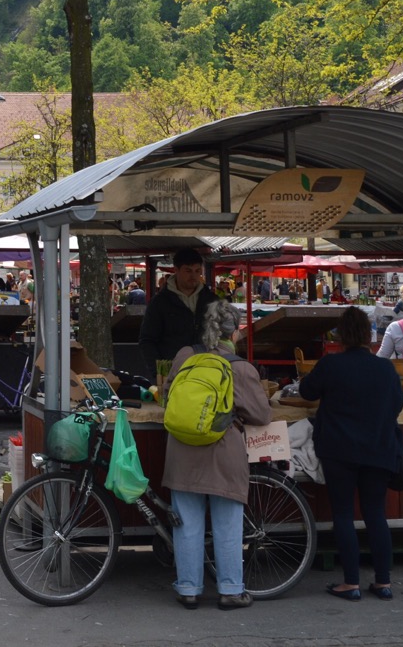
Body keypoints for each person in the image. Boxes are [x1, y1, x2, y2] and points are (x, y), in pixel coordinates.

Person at [163, 299, 271, 611]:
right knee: (227, 524)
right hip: (223, 453)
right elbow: (261, 415)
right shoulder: (241, 368)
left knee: (187, 523)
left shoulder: (185, 355)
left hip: (182, 451)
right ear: (235, 332)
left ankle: (188, 589)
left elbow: (169, 395)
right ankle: (230, 590)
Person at [299, 307, 403, 601]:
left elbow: (306, 391)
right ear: (370, 336)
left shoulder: (331, 365)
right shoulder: (385, 368)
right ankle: (383, 582)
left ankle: (351, 582)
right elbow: (397, 406)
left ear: (341, 335)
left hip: (338, 449)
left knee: (343, 514)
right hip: (379, 449)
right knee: (375, 514)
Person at [139, 247, 218, 379]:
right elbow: (147, 341)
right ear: (176, 270)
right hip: (173, 374)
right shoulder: (160, 302)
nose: (193, 276)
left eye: (197, 271)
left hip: (207, 372)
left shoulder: (212, 301)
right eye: (188, 271)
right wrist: (159, 372)